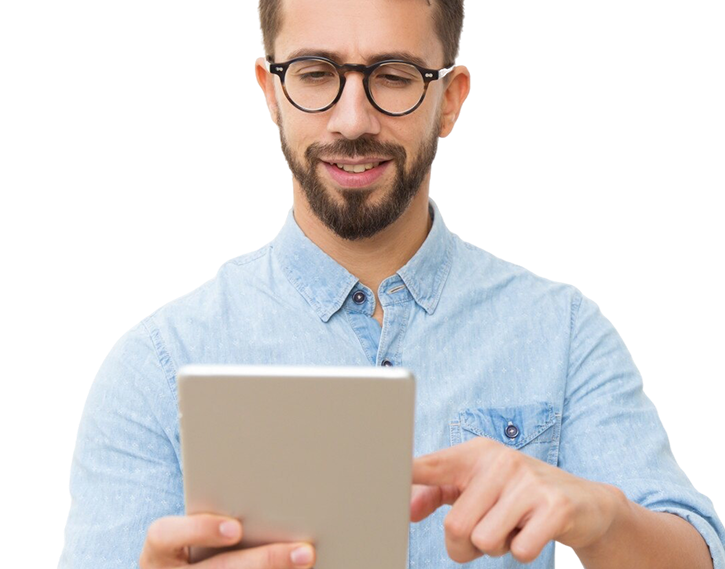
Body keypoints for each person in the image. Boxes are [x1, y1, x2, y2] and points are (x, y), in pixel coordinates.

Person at [59, 0, 724, 567]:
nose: (352, 121)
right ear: (270, 92)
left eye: (394, 76)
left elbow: (696, 552)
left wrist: (602, 517)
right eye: (315, 74)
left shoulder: (563, 330)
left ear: (450, 99)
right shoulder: (154, 365)